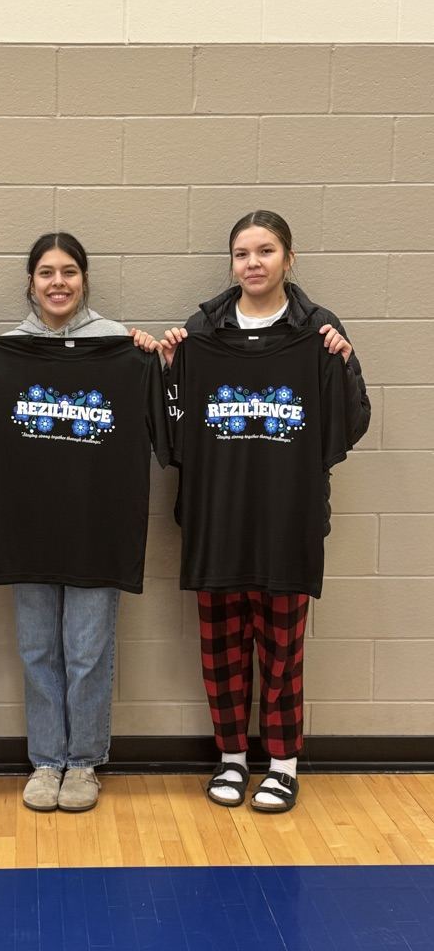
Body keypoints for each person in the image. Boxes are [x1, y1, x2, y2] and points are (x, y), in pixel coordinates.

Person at [161, 210, 370, 813]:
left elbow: (350, 423)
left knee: (282, 650)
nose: (253, 263)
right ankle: (231, 757)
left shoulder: (319, 331)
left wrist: (342, 364)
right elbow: (170, 428)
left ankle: (282, 764)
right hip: (217, 518)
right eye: (242, 253)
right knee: (221, 648)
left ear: (288, 258)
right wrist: (170, 367)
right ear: (231, 263)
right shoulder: (202, 331)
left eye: (266, 251)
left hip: (288, 519)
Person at [0, 231, 160, 813]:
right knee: (36, 650)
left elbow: (160, 423)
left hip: (98, 527)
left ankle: (84, 762)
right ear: (31, 282)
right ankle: (47, 759)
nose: (58, 282)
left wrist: (148, 356)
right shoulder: (4, 353)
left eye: (69, 271)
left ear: (84, 279)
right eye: (46, 272)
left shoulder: (121, 347)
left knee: (87, 651)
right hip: (27, 526)